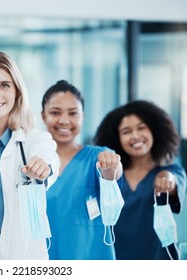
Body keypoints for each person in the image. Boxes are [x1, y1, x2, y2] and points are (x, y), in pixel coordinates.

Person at [0, 50, 60, 260]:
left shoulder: (33, 142)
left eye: (5, 85)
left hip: (17, 252)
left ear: (17, 91)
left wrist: (44, 166)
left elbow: (49, 160)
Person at [93, 99, 187, 260]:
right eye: (126, 131)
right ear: (117, 138)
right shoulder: (111, 175)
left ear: (155, 131)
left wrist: (165, 179)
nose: (135, 136)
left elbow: (171, 181)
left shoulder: (171, 171)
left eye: (141, 128)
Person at [41, 80, 123, 260]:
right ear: (43, 116)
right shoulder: (34, 162)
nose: (64, 120)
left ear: (82, 117)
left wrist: (111, 166)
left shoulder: (98, 157)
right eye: (55, 112)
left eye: (73, 113)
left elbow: (113, 173)